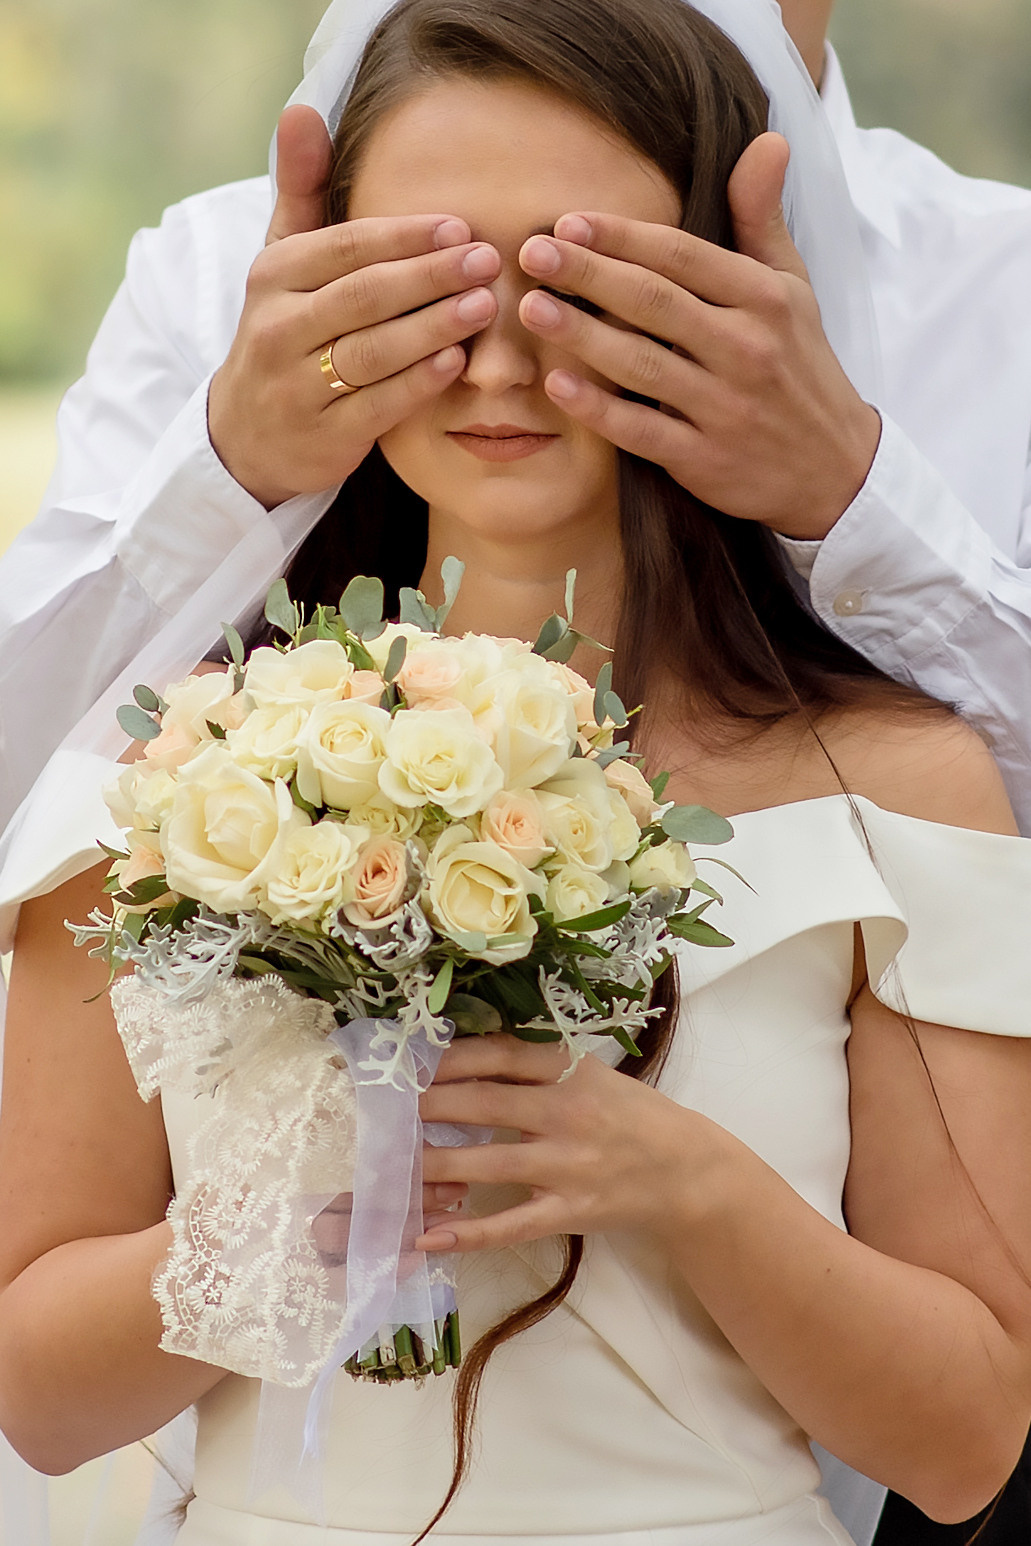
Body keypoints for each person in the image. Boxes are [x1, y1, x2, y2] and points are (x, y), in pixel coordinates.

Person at [2, 5, 1031, 1546]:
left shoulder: (905, 779)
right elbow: (37, 1391)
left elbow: (966, 1447)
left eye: (578, 284)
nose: (494, 359)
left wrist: (683, 1182)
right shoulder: (174, 772)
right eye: (432, 281)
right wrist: (297, 1219)